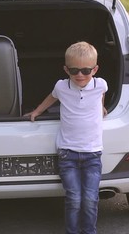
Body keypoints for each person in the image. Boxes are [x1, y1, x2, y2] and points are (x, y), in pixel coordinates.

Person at [25, 41, 108, 234]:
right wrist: (36, 111)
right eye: (74, 70)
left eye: (86, 70)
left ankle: (89, 231)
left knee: (90, 199)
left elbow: (101, 95)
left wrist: (101, 107)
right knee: (74, 198)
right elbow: (51, 97)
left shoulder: (101, 84)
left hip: (93, 154)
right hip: (67, 154)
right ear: (66, 69)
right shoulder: (61, 87)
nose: (80, 75)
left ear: (95, 69)